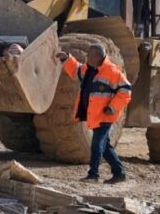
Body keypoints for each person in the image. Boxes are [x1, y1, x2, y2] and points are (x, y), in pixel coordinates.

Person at [55, 44, 131, 184]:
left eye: (89, 55)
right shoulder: (89, 69)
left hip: (106, 116)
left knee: (97, 144)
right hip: (96, 115)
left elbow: (126, 90)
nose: (86, 57)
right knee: (105, 146)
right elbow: (76, 70)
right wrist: (66, 58)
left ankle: (93, 175)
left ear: (96, 56)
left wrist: (112, 107)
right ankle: (119, 173)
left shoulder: (112, 71)